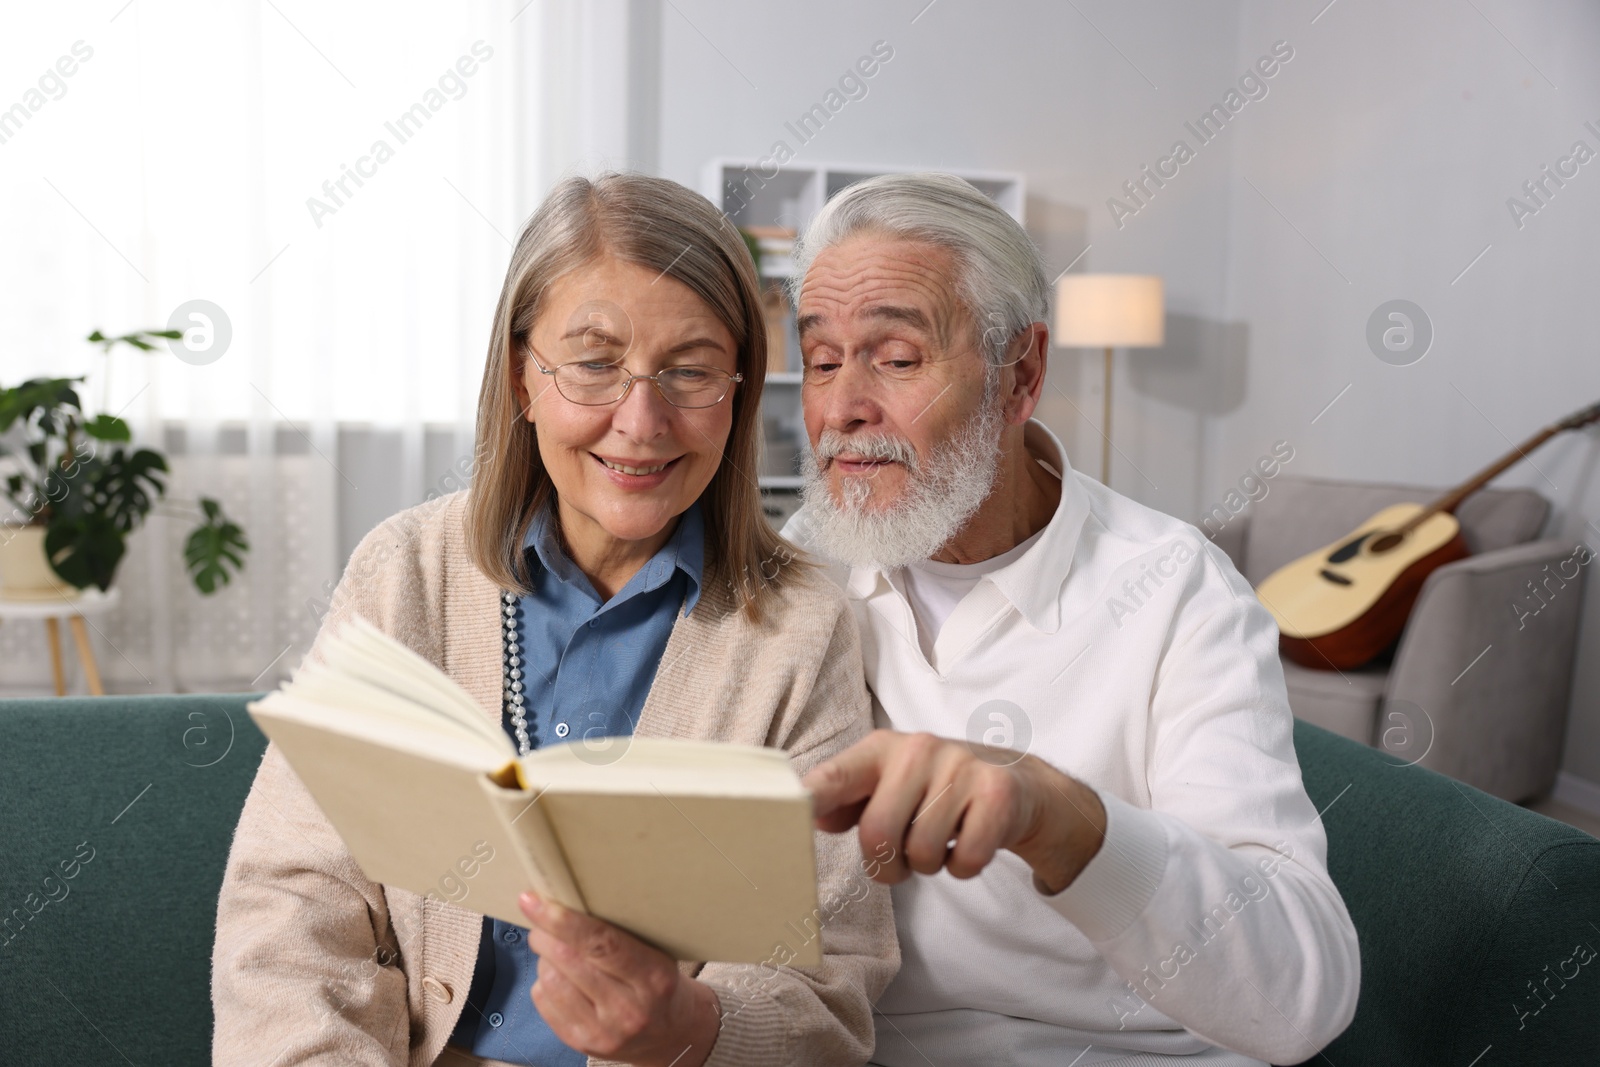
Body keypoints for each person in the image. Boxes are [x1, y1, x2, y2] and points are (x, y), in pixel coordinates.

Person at [212, 173, 898, 1067]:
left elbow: (826, 985)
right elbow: (291, 903)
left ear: (738, 390)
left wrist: (689, 1026)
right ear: (521, 377)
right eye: (594, 363)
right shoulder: (404, 573)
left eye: (690, 370)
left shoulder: (803, 624)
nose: (641, 421)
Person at [781, 172, 1360, 1067]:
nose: (843, 408)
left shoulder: (1175, 589)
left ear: (1021, 375)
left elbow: (1301, 993)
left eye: (895, 359)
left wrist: (1060, 819)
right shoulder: (798, 567)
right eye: (821, 361)